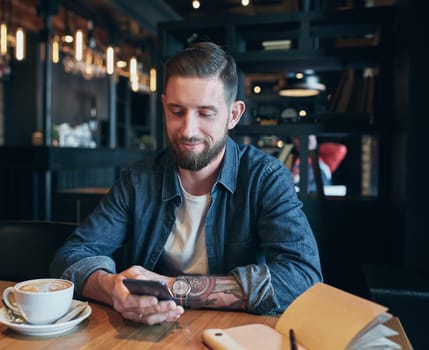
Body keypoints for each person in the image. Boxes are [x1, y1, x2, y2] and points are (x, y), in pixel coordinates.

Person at [50, 42, 322, 325]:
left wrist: (173, 288)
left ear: (234, 114)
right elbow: (71, 256)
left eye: (206, 113)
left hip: (233, 336)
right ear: (164, 106)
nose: (188, 130)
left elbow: (303, 277)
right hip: (151, 335)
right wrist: (113, 290)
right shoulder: (138, 181)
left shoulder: (265, 178)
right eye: (177, 112)